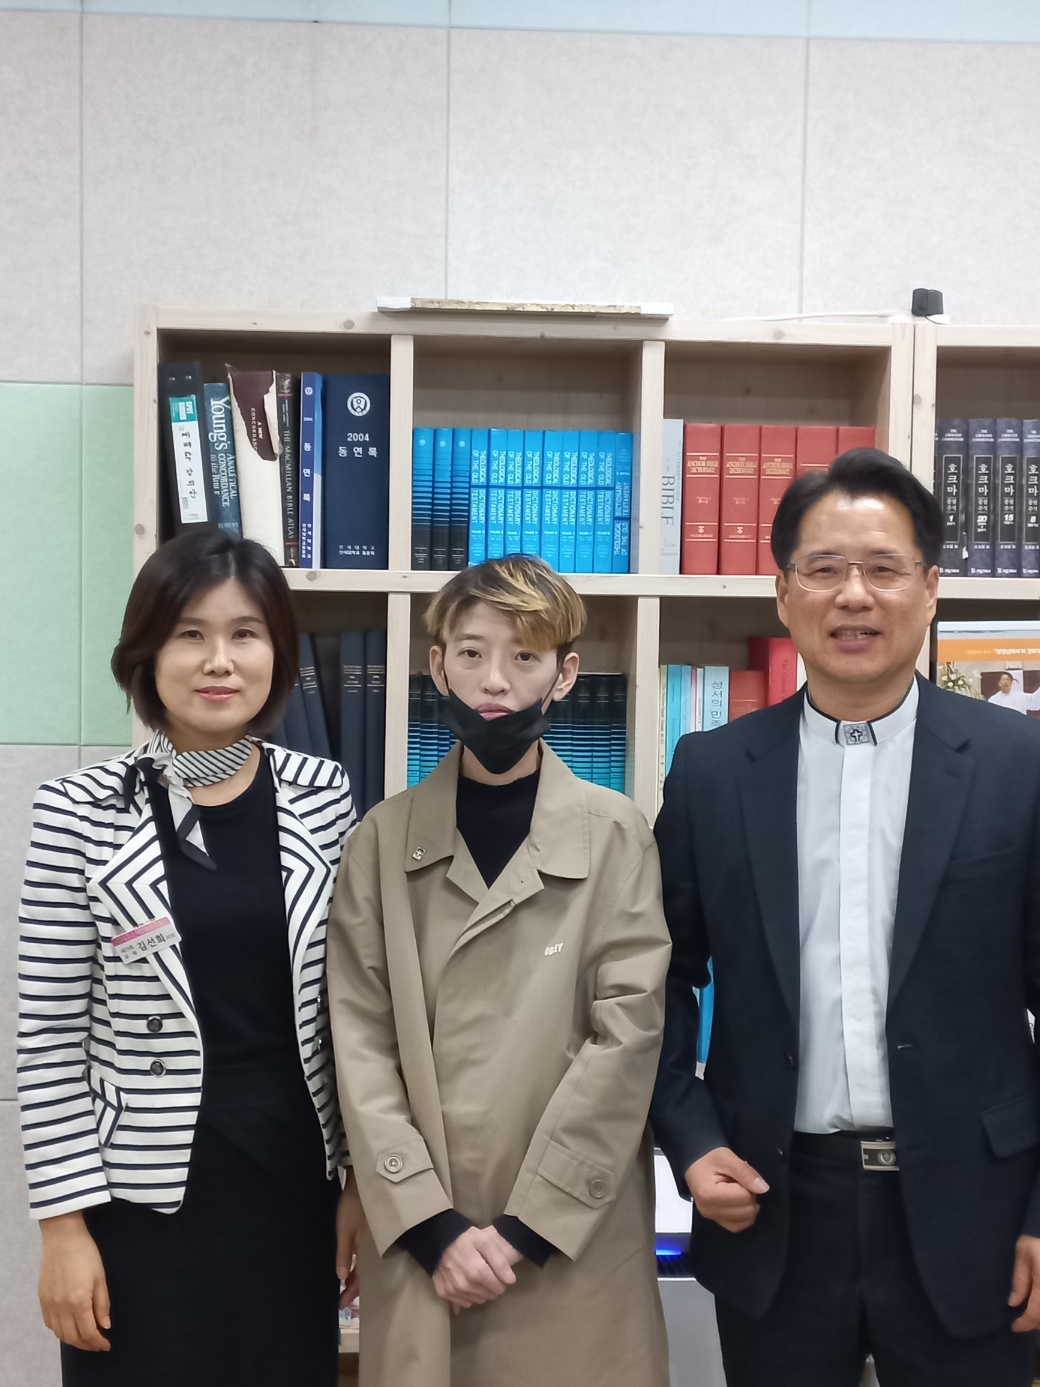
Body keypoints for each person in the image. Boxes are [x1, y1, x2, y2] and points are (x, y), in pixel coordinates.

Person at [651, 448, 1040, 1387]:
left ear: (930, 588)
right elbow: (652, 977)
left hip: (980, 1211)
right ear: (784, 595)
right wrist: (691, 1139)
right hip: (773, 1202)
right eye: (824, 568)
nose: (854, 594)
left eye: (883, 568)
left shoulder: (1019, 764)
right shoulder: (711, 772)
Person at [16, 527, 363, 1387]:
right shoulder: (77, 812)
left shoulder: (325, 797)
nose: (219, 660)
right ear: (148, 651)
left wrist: (360, 1181)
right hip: (136, 1206)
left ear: (277, 652)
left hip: (293, 1191)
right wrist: (62, 1226)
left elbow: (355, 1013)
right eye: (190, 634)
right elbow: (48, 1037)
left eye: (245, 633)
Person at [326, 555, 670, 1387]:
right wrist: (430, 1224)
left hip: (568, 1239)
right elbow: (359, 1043)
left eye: (524, 656)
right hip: (424, 1240)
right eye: (472, 652)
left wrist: (524, 1229)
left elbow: (628, 1036)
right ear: (436, 663)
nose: (495, 680)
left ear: (565, 673)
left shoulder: (617, 834)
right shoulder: (380, 839)